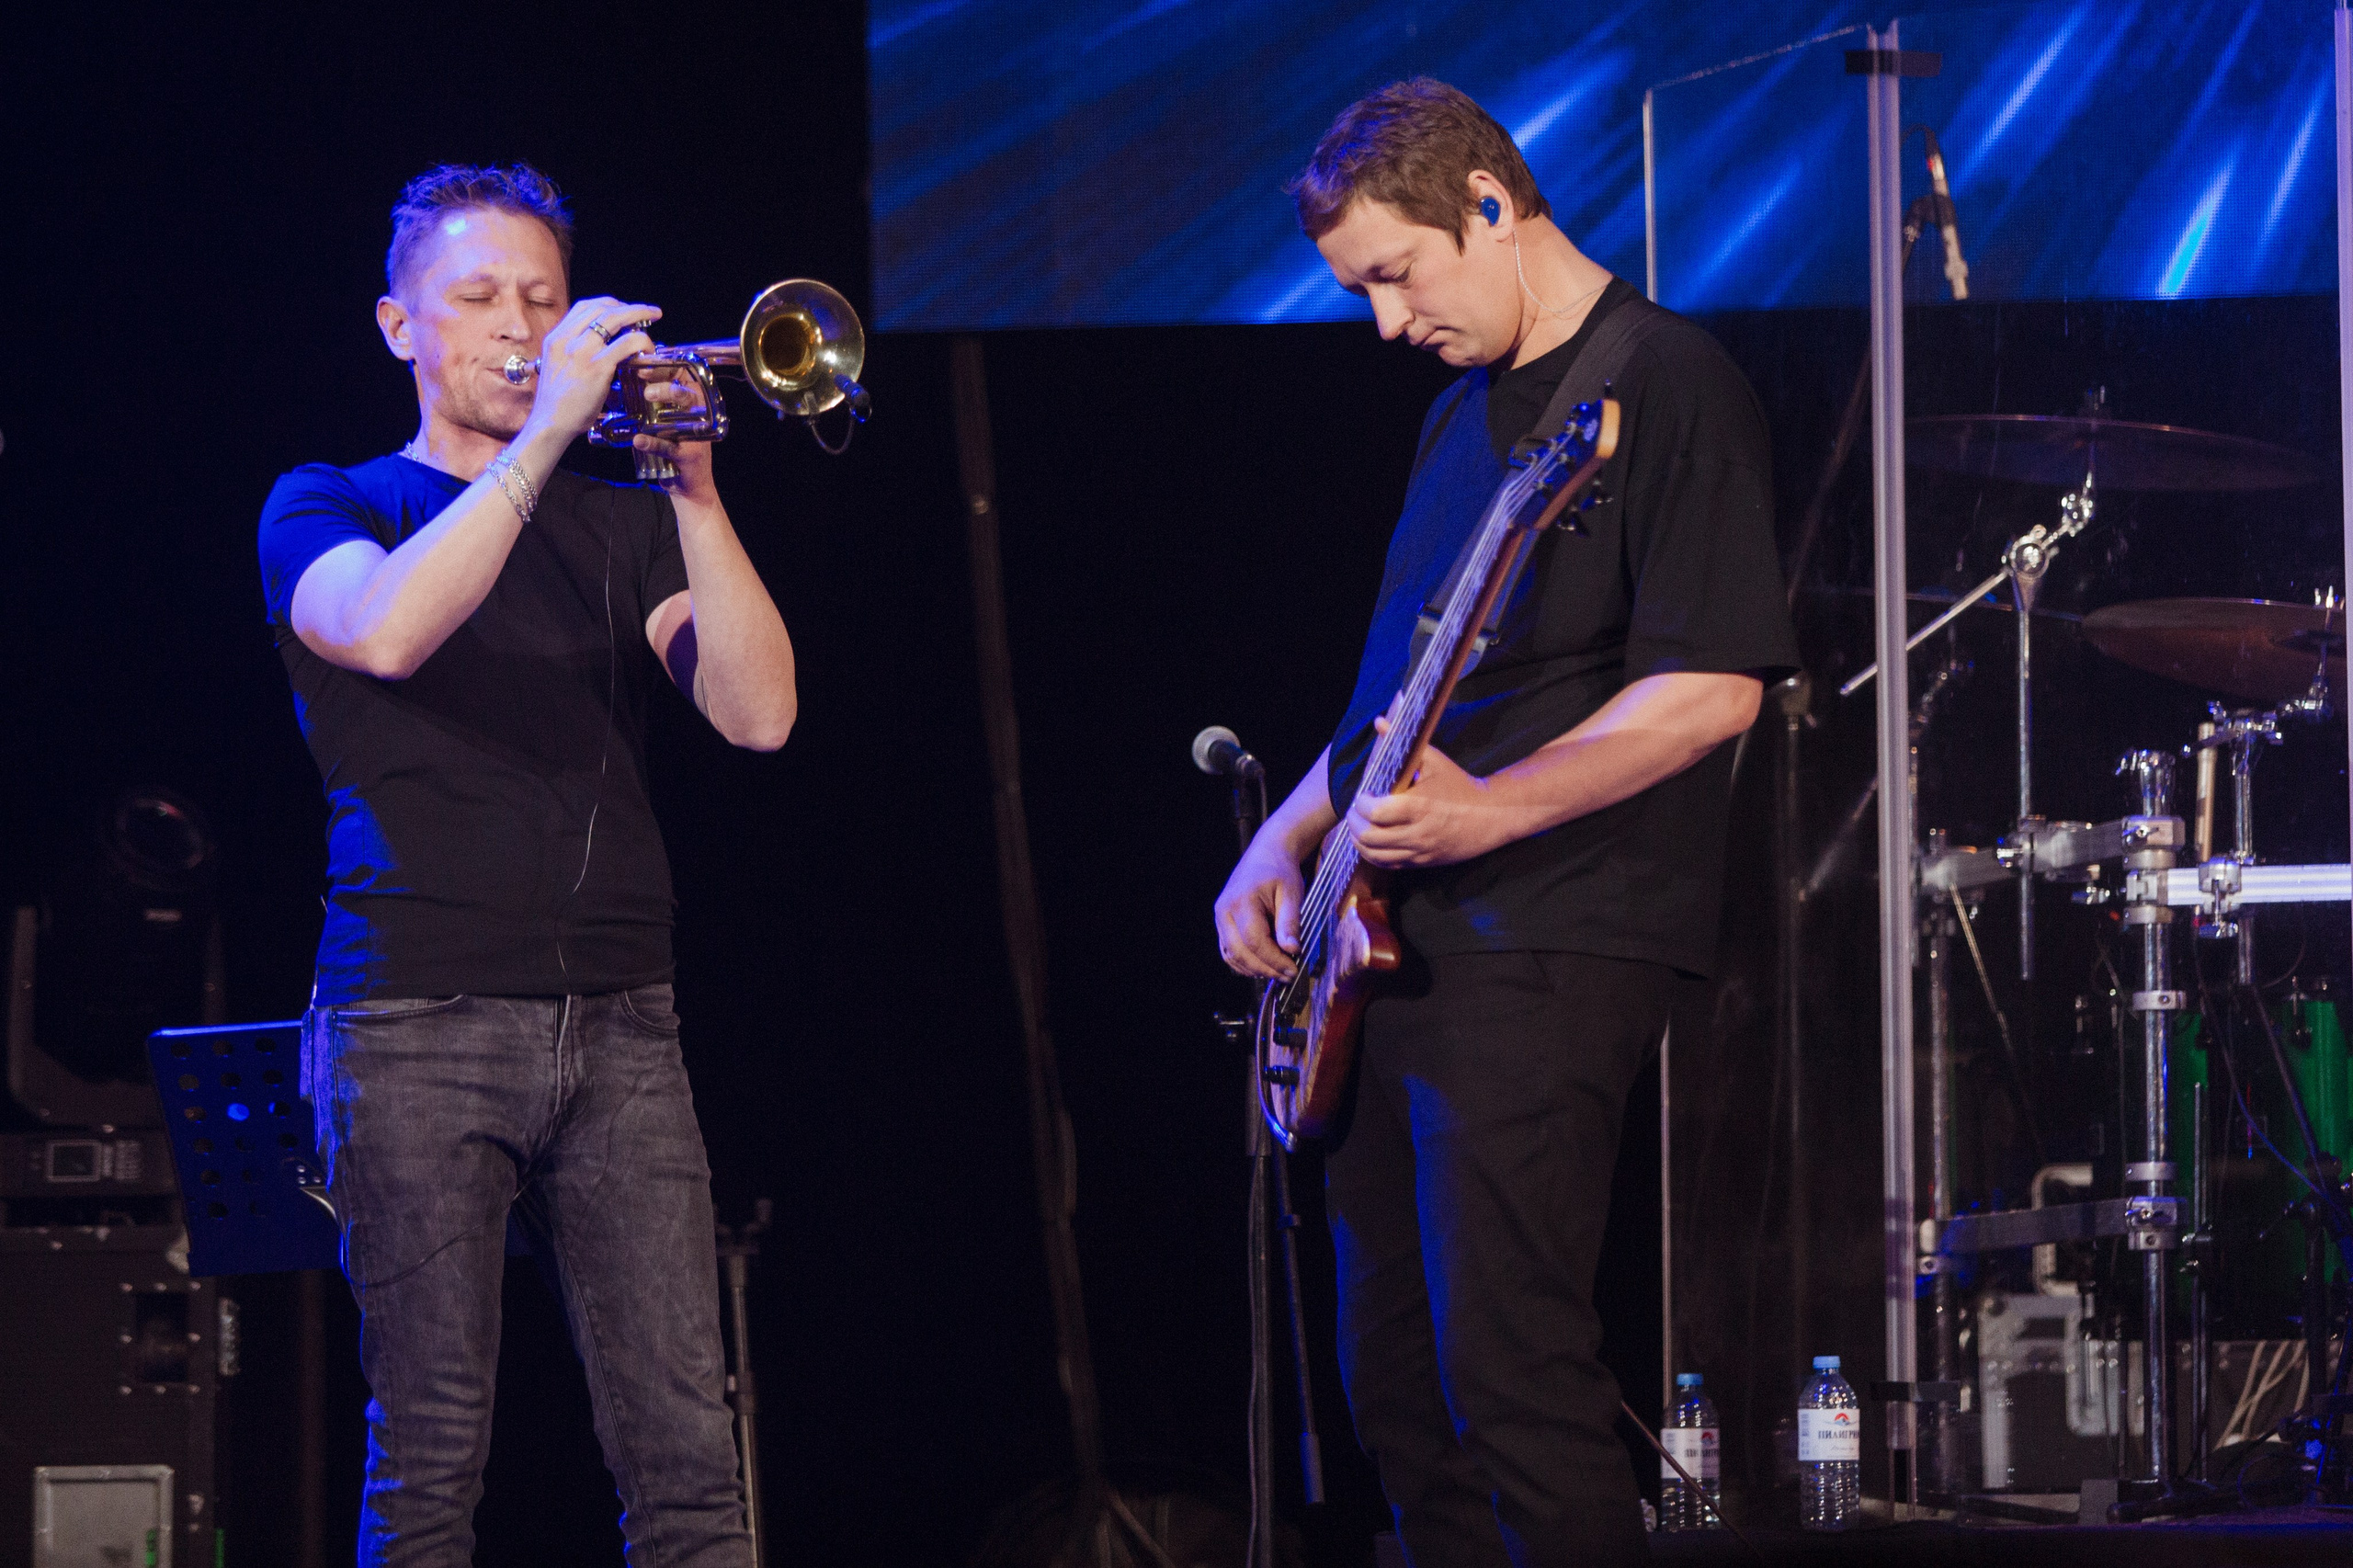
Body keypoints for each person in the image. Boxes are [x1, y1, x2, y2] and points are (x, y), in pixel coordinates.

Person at [1213, 81, 1799, 1565]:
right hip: (1395, 954)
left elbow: (1714, 687)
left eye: (1395, 277)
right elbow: (1389, 710)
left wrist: (1492, 815)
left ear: (1489, 201)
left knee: (1512, 1374)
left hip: (1558, 935)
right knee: (1400, 1393)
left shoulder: (1670, 383)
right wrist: (1279, 844)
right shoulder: (1457, 424)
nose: (1387, 325)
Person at [257, 163, 792, 1565]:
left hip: (626, 1019)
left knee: (690, 1459)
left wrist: (694, 490)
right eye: (482, 298)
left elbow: (759, 714)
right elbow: (381, 632)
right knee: (431, 1458)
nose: (521, 326)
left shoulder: (622, 522)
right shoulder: (328, 501)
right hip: (418, 1016)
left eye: (545, 299)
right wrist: (549, 433)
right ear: (398, 327)